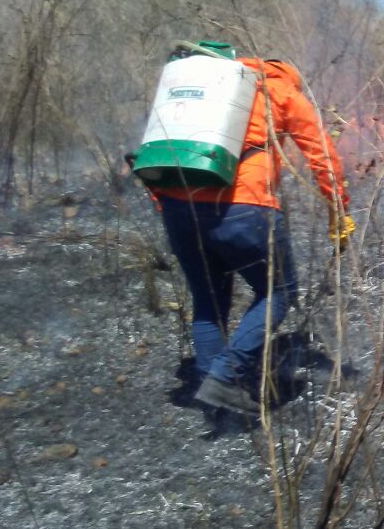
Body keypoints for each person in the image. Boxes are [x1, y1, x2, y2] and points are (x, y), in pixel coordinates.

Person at [150, 46, 354, 414]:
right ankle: (226, 377)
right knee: (280, 290)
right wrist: (338, 209)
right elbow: (322, 155)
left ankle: (212, 393)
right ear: (289, 74)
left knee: (209, 299)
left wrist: (169, 207)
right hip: (243, 207)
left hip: (178, 207)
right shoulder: (281, 91)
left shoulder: (209, 85)